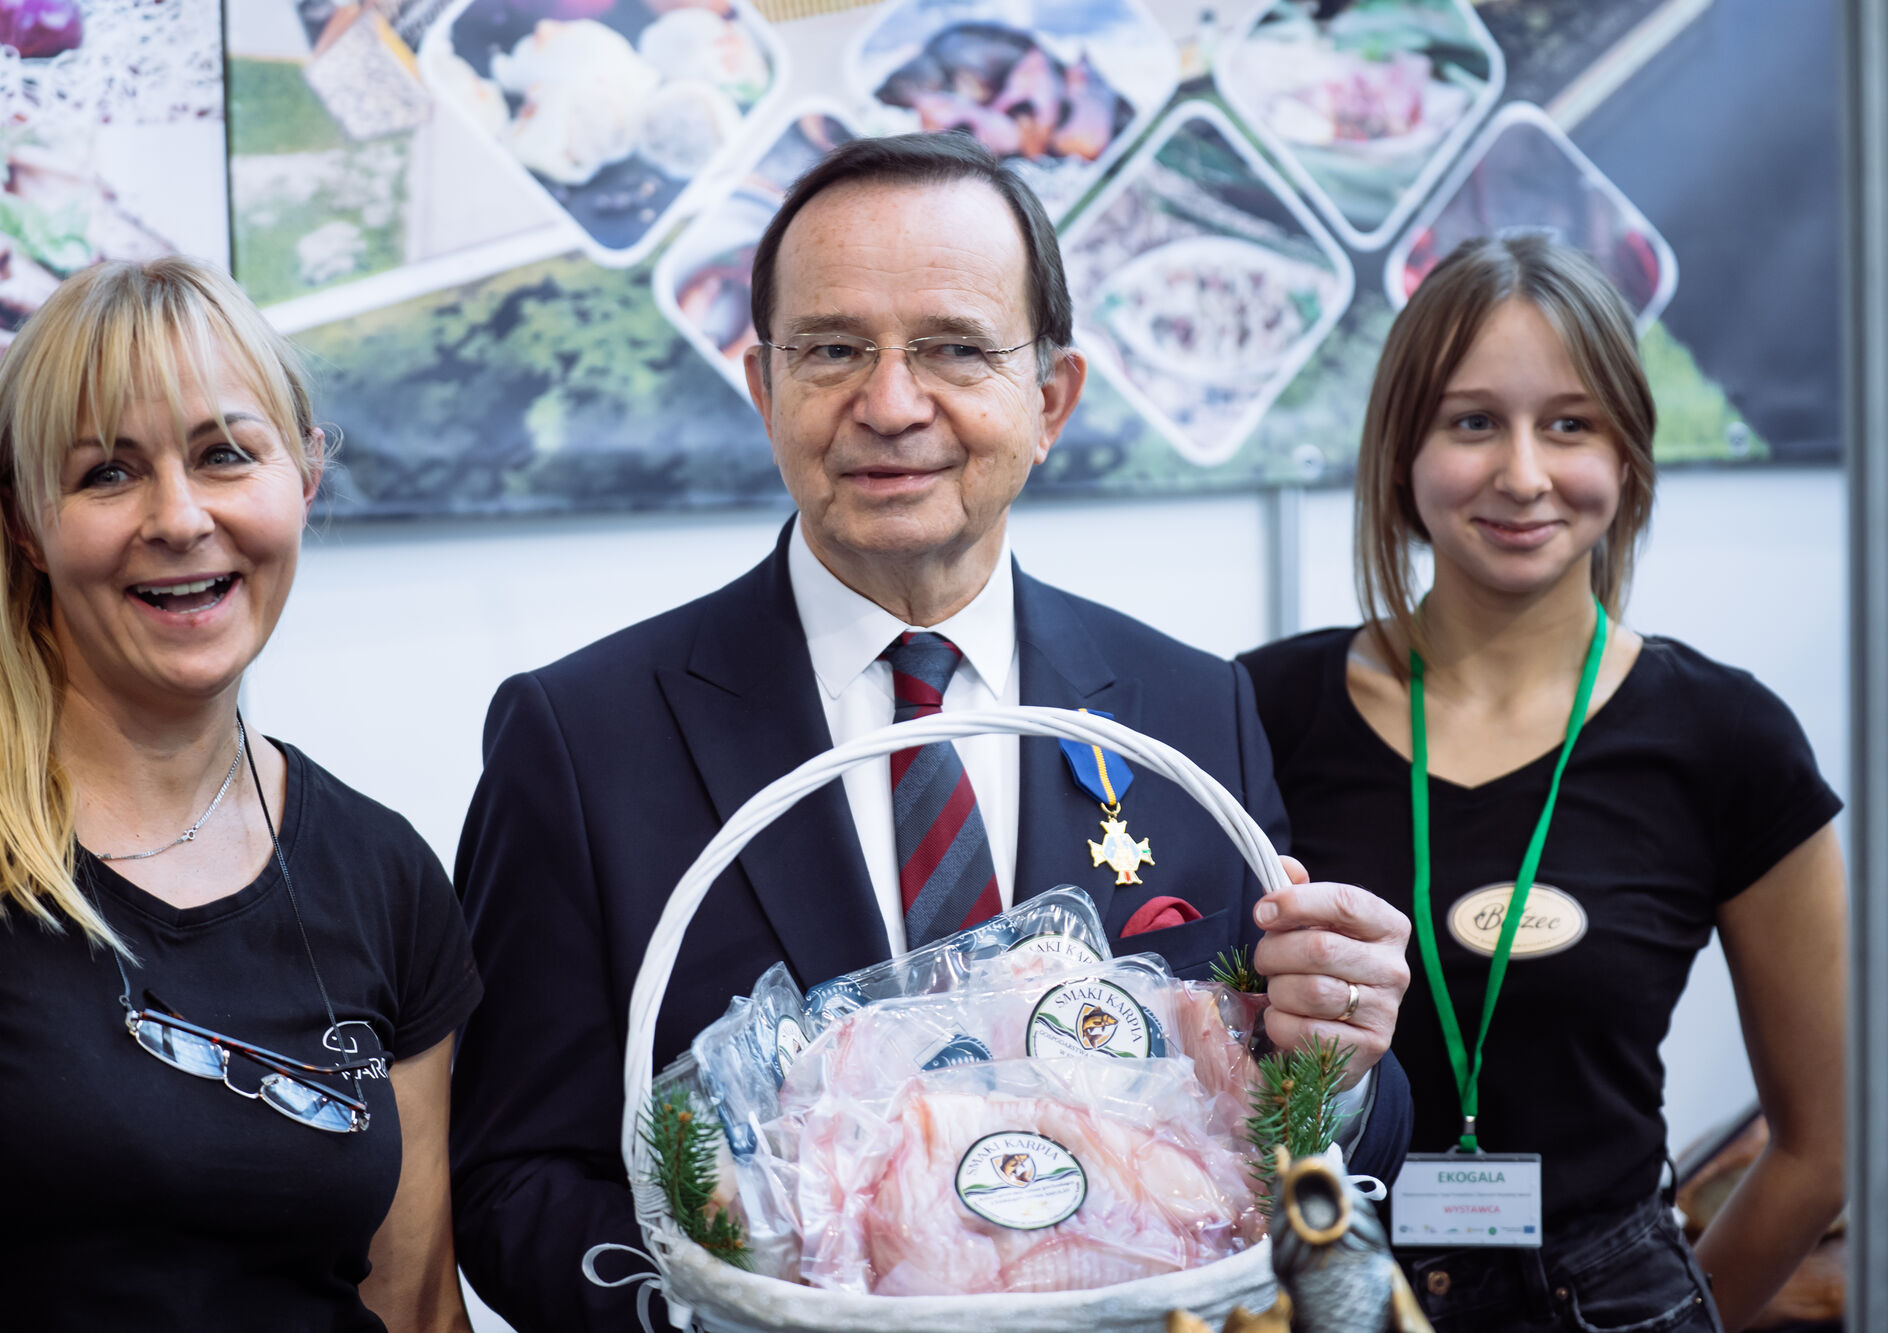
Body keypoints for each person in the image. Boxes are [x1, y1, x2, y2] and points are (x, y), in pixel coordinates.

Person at [450, 132, 1416, 1332]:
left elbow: (1292, 1132)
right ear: (763, 390)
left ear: (1049, 399)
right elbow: (511, 1182)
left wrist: (1339, 1062)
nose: (891, 403)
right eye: (832, 349)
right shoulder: (581, 738)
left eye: (955, 348)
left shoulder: (1189, 710)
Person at [1240, 235, 1846, 1333]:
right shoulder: (1259, 712)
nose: (1523, 474)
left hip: (1604, 1293)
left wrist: (1669, 1313)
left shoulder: (1727, 738)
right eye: (1473, 422)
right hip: (1320, 1286)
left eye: (1569, 424)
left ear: (1628, 453)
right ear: (1402, 452)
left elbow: (1825, 1143)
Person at [0, 257, 483, 1331]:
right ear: (24, 519)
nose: (177, 517)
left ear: (304, 474)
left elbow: (416, 1302)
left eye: (224, 455)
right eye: (107, 472)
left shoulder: (385, 875)